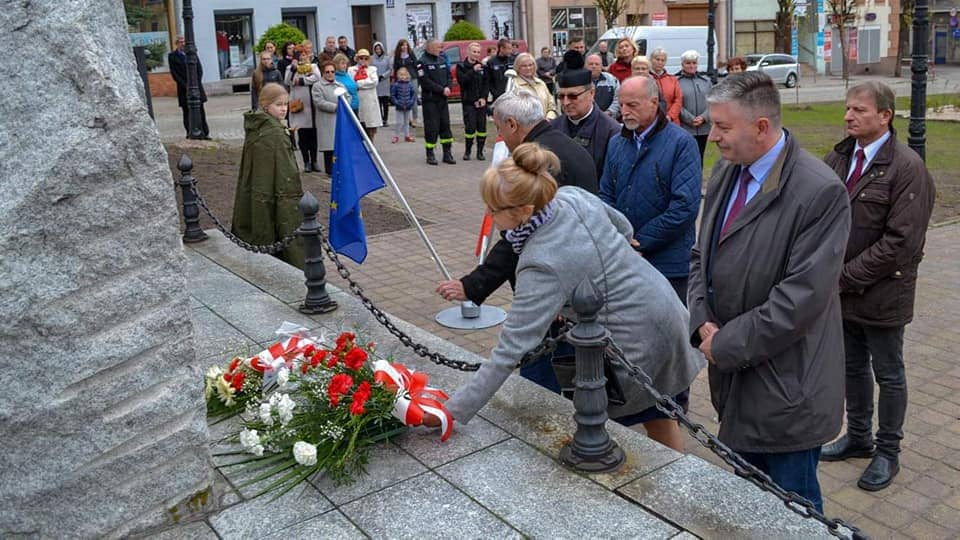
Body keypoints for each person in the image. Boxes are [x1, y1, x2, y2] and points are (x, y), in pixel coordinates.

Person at [437, 143, 705, 451]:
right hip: (663, 303)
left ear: (524, 211)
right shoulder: (571, 196)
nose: (488, 213)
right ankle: (674, 473)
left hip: (634, 338)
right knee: (659, 413)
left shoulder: (541, 262)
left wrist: (451, 412)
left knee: (602, 432)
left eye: (493, 209)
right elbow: (624, 227)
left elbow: (509, 350)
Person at [688, 72, 851, 513]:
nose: (712, 135)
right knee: (747, 506)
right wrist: (700, 319)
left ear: (761, 127)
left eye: (722, 126)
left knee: (794, 512)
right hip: (735, 377)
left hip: (787, 389)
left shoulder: (820, 192)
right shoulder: (727, 170)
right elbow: (701, 255)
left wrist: (724, 343)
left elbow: (800, 300)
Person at [820, 81, 936, 492]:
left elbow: (901, 243)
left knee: (889, 372)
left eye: (859, 110)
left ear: (885, 116)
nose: (848, 116)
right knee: (852, 366)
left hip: (883, 292)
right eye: (848, 108)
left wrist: (843, 276)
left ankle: (888, 451)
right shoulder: (840, 156)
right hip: (842, 291)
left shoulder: (907, 168)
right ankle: (858, 437)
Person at [436, 89, 598, 306]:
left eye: (499, 128)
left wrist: (473, 285)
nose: (500, 136)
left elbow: (520, 234)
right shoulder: (562, 143)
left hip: (557, 282)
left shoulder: (538, 162)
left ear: (512, 124)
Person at [600, 76, 701, 303]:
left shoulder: (681, 143)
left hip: (669, 264)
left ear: (654, 103)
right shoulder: (616, 143)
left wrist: (641, 241)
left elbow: (685, 206)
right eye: (622, 104)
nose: (624, 112)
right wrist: (622, 239)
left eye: (632, 105)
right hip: (625, 260)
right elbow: (606, 195)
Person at [231, 83, 305, 269]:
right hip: (274, 191)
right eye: (278, 105)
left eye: (285, 104)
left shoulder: (259, 125)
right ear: (265, 105)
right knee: (276, 228)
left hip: (259, 188)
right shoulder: (273, 133)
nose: (283, 109)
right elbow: (284, 172)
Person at [550, 50, 620, 180]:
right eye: (561, 96)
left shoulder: (611, 131)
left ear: (592, 93)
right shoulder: (552, 128)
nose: (566, 102)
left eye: (573, 96)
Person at [417, 39, 455, 165]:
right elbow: (425, 81)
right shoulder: (422, 62)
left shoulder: (442, 59)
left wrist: (448, 87)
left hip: (443, 100)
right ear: (430, 48)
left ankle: (447, 153)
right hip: (430, 100)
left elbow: (449, 76)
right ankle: (430, 154)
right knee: (432, 127)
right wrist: (441, 89)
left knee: (445, 126)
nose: (441, 49)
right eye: (438, 47)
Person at [284, 42, 321, 172]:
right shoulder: (290, 68)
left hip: (312, 105)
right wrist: (294, 69)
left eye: (304, 54)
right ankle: (306, 162)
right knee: (303, 135)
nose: (302, 57)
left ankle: (314, 161)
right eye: (299, 55)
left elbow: (317, 77)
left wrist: (301, 81)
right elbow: (287, 81)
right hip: (299, 106)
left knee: (313, 135)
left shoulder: (313, 66)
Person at [167, 36, 210, 139]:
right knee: (187, 112)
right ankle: (189, 132)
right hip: (183, 89)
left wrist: (195, 83)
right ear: (177, 44)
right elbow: (175, 74)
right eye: (180, 42)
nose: (183, 44)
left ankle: (204, 132)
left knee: (200, 111)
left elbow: (199, 69)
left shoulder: (192, 53)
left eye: (184, 42)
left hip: (196, 87)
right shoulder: (172, 56)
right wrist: (186, 86)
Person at [677, 50, 712, 166]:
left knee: (700, 157)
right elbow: (676, 103)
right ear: (682, 64)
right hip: (686, 127)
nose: (691, 66)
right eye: (688, 63)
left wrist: (703, 117)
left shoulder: (706, 81)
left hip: (703, 128)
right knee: (686, 158)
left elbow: (712, 102)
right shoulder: (677, 82)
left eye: (694, 63)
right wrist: (690, 119)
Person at [456, 42, 489, 160]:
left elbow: (486, 84)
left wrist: (483, 98)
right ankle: (468, 151)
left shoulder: (483, 67)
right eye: (474, 52)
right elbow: (462, 81)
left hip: (481, 103)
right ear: (468, 52)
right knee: (470, 128)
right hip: (468, 102)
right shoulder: (461, 66)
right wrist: (472, 71)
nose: (476, 54)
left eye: (478, 52)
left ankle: (480, 152)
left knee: (482, 128)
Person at [311, 61, 344, 174]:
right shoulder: (317, 86)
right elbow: (319, 102)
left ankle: (340, 170)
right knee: (329, 148)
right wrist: (336, 107)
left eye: (332, 72)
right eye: (327, 72)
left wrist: (344, 106)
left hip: (339, 120)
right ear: (323, 73)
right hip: (326, 121)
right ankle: (329, 172)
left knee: (339, 148)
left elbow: (347, 98)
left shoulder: (340, 85)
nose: (330, 74)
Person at [512, 53, 558, 121]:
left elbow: (551, 104)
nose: (528, 68)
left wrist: (549, 117)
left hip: (547, 123)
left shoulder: (541, 83)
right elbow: (514, 111)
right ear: (517, 68)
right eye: (524, 66)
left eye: (530, 65)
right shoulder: (514, 85)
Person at [349, 49, 382, 140]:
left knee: (371, 126)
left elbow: (374, 82)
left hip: (370, 101)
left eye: (366, 58)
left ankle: (371, 145)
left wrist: (359, 83)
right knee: (359, 126)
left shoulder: (372, 69)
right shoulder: (352, 70)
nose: (363, 60)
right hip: (358, 100)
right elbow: (352, 83)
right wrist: (364, 83)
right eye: (361, 58)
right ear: (357, 59)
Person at [650, 47, 683, 124]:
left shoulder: (672, 79)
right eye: (657, 59)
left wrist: (670, 116)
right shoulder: (646, 78)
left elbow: (678, 99)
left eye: (663, 60)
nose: (660, 62)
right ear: (651, 60)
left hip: (672, 120)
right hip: (652, 120)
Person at [393, 39, 419, 128]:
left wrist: (417, 76)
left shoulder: (411, 54)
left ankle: (415, 118)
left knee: (413, 97)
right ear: (399, 47)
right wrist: (395, 80)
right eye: (403, 45)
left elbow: (416, 65)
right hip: (401, 80)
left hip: (412, 78)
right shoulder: (397, 56)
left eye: (406, 45)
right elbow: (395, 68)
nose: (404, 47)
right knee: (404, 98)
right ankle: (408, 119)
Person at [586, 54, 619, 118]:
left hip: (609, 118)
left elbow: (618, 99)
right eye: (591, 64)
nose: (594, 66)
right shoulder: (579, 81)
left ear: (601, 66)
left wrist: (609, 112)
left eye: (597, 64)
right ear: (585, 66)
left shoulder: (611, 79)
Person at [390, 67, 417, 144]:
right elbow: (393, 95)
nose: (403, 76)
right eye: (401, 75)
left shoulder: (410, 85)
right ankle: (396, 136)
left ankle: (407, 136)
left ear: (407, 75)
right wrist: (397, 103)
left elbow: (413, 95)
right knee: (399, 122)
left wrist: (411, 102)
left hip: (408, 106)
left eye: (404, 75)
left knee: (406, 122)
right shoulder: (396, 85)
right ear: (398, 76)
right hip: (399, 106)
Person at [485, 38, 515, 104]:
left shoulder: (512, 60)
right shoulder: (491, 62)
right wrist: (494, 92)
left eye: (511, 49)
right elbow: (487, 81)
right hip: (498, 97)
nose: (510, 51)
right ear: (501, 48)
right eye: (509, 49)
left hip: (512, 96)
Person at [371, 42, 392, 127]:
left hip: (385, 82)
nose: (378, 50)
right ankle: (379, 119)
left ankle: (385, 119)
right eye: (376, 49)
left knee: (385, 102)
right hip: (376, 82)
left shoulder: (387, 58)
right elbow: (370, 68)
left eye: (379, 49)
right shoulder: (371, 58)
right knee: (378, 102)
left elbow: (390, 69)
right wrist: (375, 76)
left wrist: (383, 76)